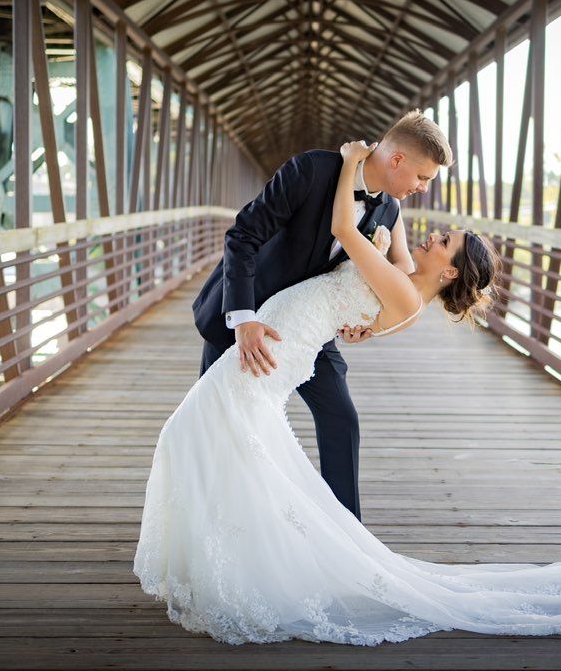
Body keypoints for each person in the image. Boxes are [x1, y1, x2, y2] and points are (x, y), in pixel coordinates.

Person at [134, 140, 561, 646]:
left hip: (279, 344)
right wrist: (385, 197)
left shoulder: (400, 287)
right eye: (422, 181)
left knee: (205, 433)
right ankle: (244, 553)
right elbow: (385, 238)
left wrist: (349, 163)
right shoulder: (403, 271)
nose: (430, 232)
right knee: (220, 437)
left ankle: (270, 556)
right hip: (274, 330)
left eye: (442, 240)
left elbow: (348, 229)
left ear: (447, 272)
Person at [192, 110, 451, 521]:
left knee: (341, 419)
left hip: (308, 325)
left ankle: (348, 535)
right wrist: (242, 318)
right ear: (397, 160)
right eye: (424, 178)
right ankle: (209, 523)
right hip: (244, 312)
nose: (422, 189)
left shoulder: (389, 213)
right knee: (216, 422)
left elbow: (393, 280)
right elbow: (241, 236)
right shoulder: (311, 170)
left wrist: (371, 323)